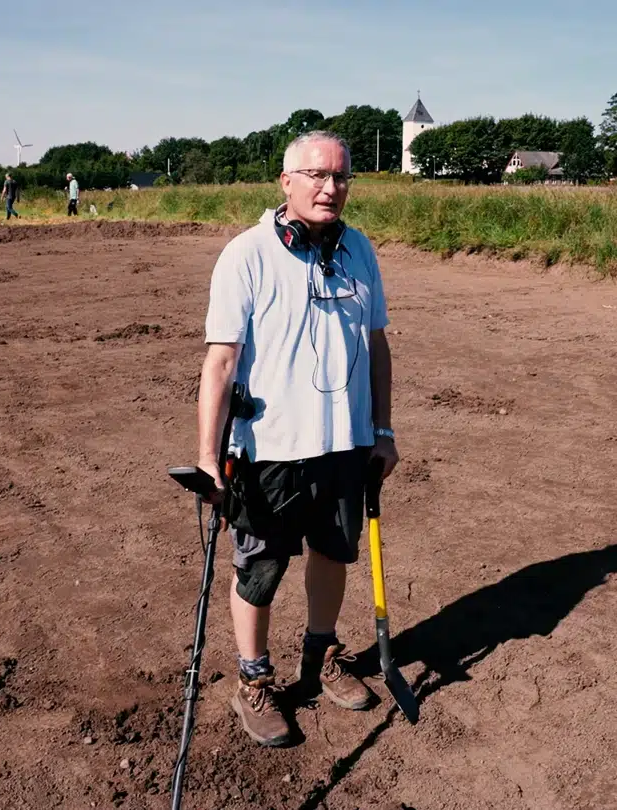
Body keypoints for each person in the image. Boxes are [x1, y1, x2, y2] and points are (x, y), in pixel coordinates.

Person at [194, 130, 398, 747]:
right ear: (286, 182)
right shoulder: (247, 255)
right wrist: (208, 456)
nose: (330, 188)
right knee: (260, 568)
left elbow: (377, 343)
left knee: (334, 555)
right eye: (316, 175)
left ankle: (321, 655)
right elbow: (221, 362)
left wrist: (382, 430)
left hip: (346, 445)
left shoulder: (359, 250)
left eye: (341, 177)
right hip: (269, 451)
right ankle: (254, 681)